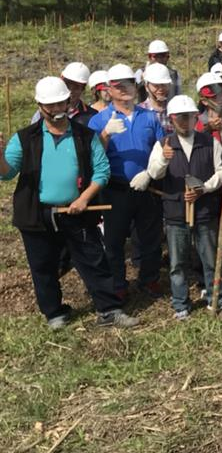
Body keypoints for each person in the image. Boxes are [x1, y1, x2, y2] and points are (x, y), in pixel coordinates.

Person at [0, 77, 138, 329]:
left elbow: (101, 171)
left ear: (68, 101)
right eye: (49, 105)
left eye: (59, 103)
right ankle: (54, 313)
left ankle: (109, 310)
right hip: (37, 214)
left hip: (78, 212)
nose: (55, 110)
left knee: (94, 260)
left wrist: (84, 198)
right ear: (40, 106)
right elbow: (7, 173)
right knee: (43, 265)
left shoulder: (86, 136)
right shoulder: (25, 138)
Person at [145, 95, 222, 319]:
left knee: (210, 259)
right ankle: (181, 304)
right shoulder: (163, 145)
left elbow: (221, 172)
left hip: (204, 210)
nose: (184, 121)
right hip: (175, 212)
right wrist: (163, 158)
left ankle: (217, 298)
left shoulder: (210, 142)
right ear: (171, 119)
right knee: (177, 263)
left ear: (195, 118)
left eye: (189, 117)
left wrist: (205, 187)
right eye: (179, 117)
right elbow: (154, 174)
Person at [88, 63, 165, 299]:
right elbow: (91, 157)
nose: (125, 89)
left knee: (150, 237)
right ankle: (118, 284)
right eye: (119, 86)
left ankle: (149, 280)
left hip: (147, 186)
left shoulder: (150, 117)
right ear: (109, 90)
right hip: (115, 188)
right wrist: (105, 136)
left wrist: (150, 173)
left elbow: (162, 149)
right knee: (114, 240)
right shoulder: (99, 121)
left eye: (129, 84)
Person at [141, 62, 175, 135]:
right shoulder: (139, 112)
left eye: (164, 85)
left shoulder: (175, 110)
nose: (161, 89)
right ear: (146, 87)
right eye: (156, 85)